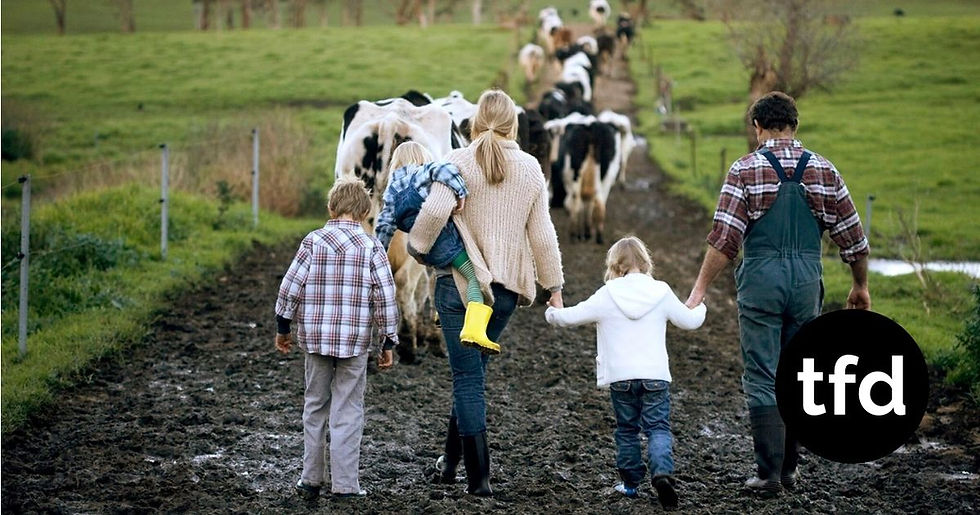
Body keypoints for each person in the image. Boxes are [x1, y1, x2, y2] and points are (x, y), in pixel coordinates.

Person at [684, 91, 871, 493]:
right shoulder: (823, 169)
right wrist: (860, 285)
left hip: (762, 281)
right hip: (806, 281)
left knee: (763, 372)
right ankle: (790, 469)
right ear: (794, 126)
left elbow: (724, 240)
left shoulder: (744, 170)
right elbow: (854, 237)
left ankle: (767, 473)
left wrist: (699, 288)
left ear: (757, 127)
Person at [407, 89, 565, 496]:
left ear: (475, 123)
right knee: (472, 375)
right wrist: (554, 287)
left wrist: (417, 247)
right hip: (506, 294)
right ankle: (449, 465)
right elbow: (543, 235)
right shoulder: (530, 168)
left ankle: (479, 480)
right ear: (514, 125)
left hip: (460, 289)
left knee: (466, 379)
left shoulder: (457, 161)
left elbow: (434, 212)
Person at [544, 236, 705, 511]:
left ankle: (630, 484)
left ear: (615, 265)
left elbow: (568, 317)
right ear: (645, 262)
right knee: (658, 428)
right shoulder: (662, 291)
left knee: (627, 430)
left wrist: (553, 311)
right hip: (655, 376)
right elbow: (689, 322)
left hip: (620, 378)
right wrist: (701, 306)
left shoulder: (607, 293)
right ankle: (662, 474)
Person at [273, 176, 400, 500]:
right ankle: (345, 485)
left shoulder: (312, 242)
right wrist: (388, 340)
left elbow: (290, 286)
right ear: (364, 211)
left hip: (315, 340)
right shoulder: (372, 246)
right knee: (348, 409)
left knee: (314, 405)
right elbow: (385, 296)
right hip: (354, 344)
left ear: (331, 207)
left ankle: (310, 478)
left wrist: (283, 326)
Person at [375, 141, 498, 354]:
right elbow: (445, 169)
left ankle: (441, 313)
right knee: (473, 277)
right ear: (421, 157)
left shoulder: (392, 189)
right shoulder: (422, 172)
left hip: (423, 248)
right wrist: (461, 194)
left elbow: (384, 225)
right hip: (444, 240)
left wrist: (378, 253)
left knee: (444, 273)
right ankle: (475, 330)